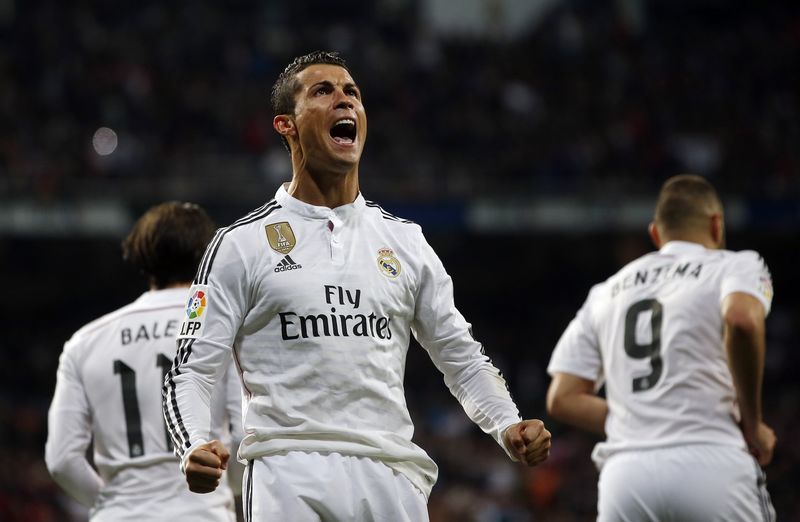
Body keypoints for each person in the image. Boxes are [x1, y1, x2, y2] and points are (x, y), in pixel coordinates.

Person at [162, 50, 551, 521]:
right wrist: (192, 444)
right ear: (286, 125)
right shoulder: (240, 244)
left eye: (353, 93)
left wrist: (507, 423)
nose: (344, 100)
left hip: (392, 473)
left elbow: (461, 358)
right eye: (323, 91)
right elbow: (192, 368)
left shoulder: (405, 242)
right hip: (288, 471)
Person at [546, 174, 776, 521]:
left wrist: (642, 417)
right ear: (717, 225)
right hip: (711, 458)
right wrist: (753, 422)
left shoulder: (606, 290)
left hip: (625, 476)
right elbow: (742, 319)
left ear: (655, 233)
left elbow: (560, 398)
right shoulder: (735, 263)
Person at [45, 202, 243, 522]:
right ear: (208, 257)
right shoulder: (225, 329)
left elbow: (61, 460)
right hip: (201, 513)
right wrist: (226, 484)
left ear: (140, 256)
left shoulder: (85, 342)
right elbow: (246, 432)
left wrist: (112, 505)